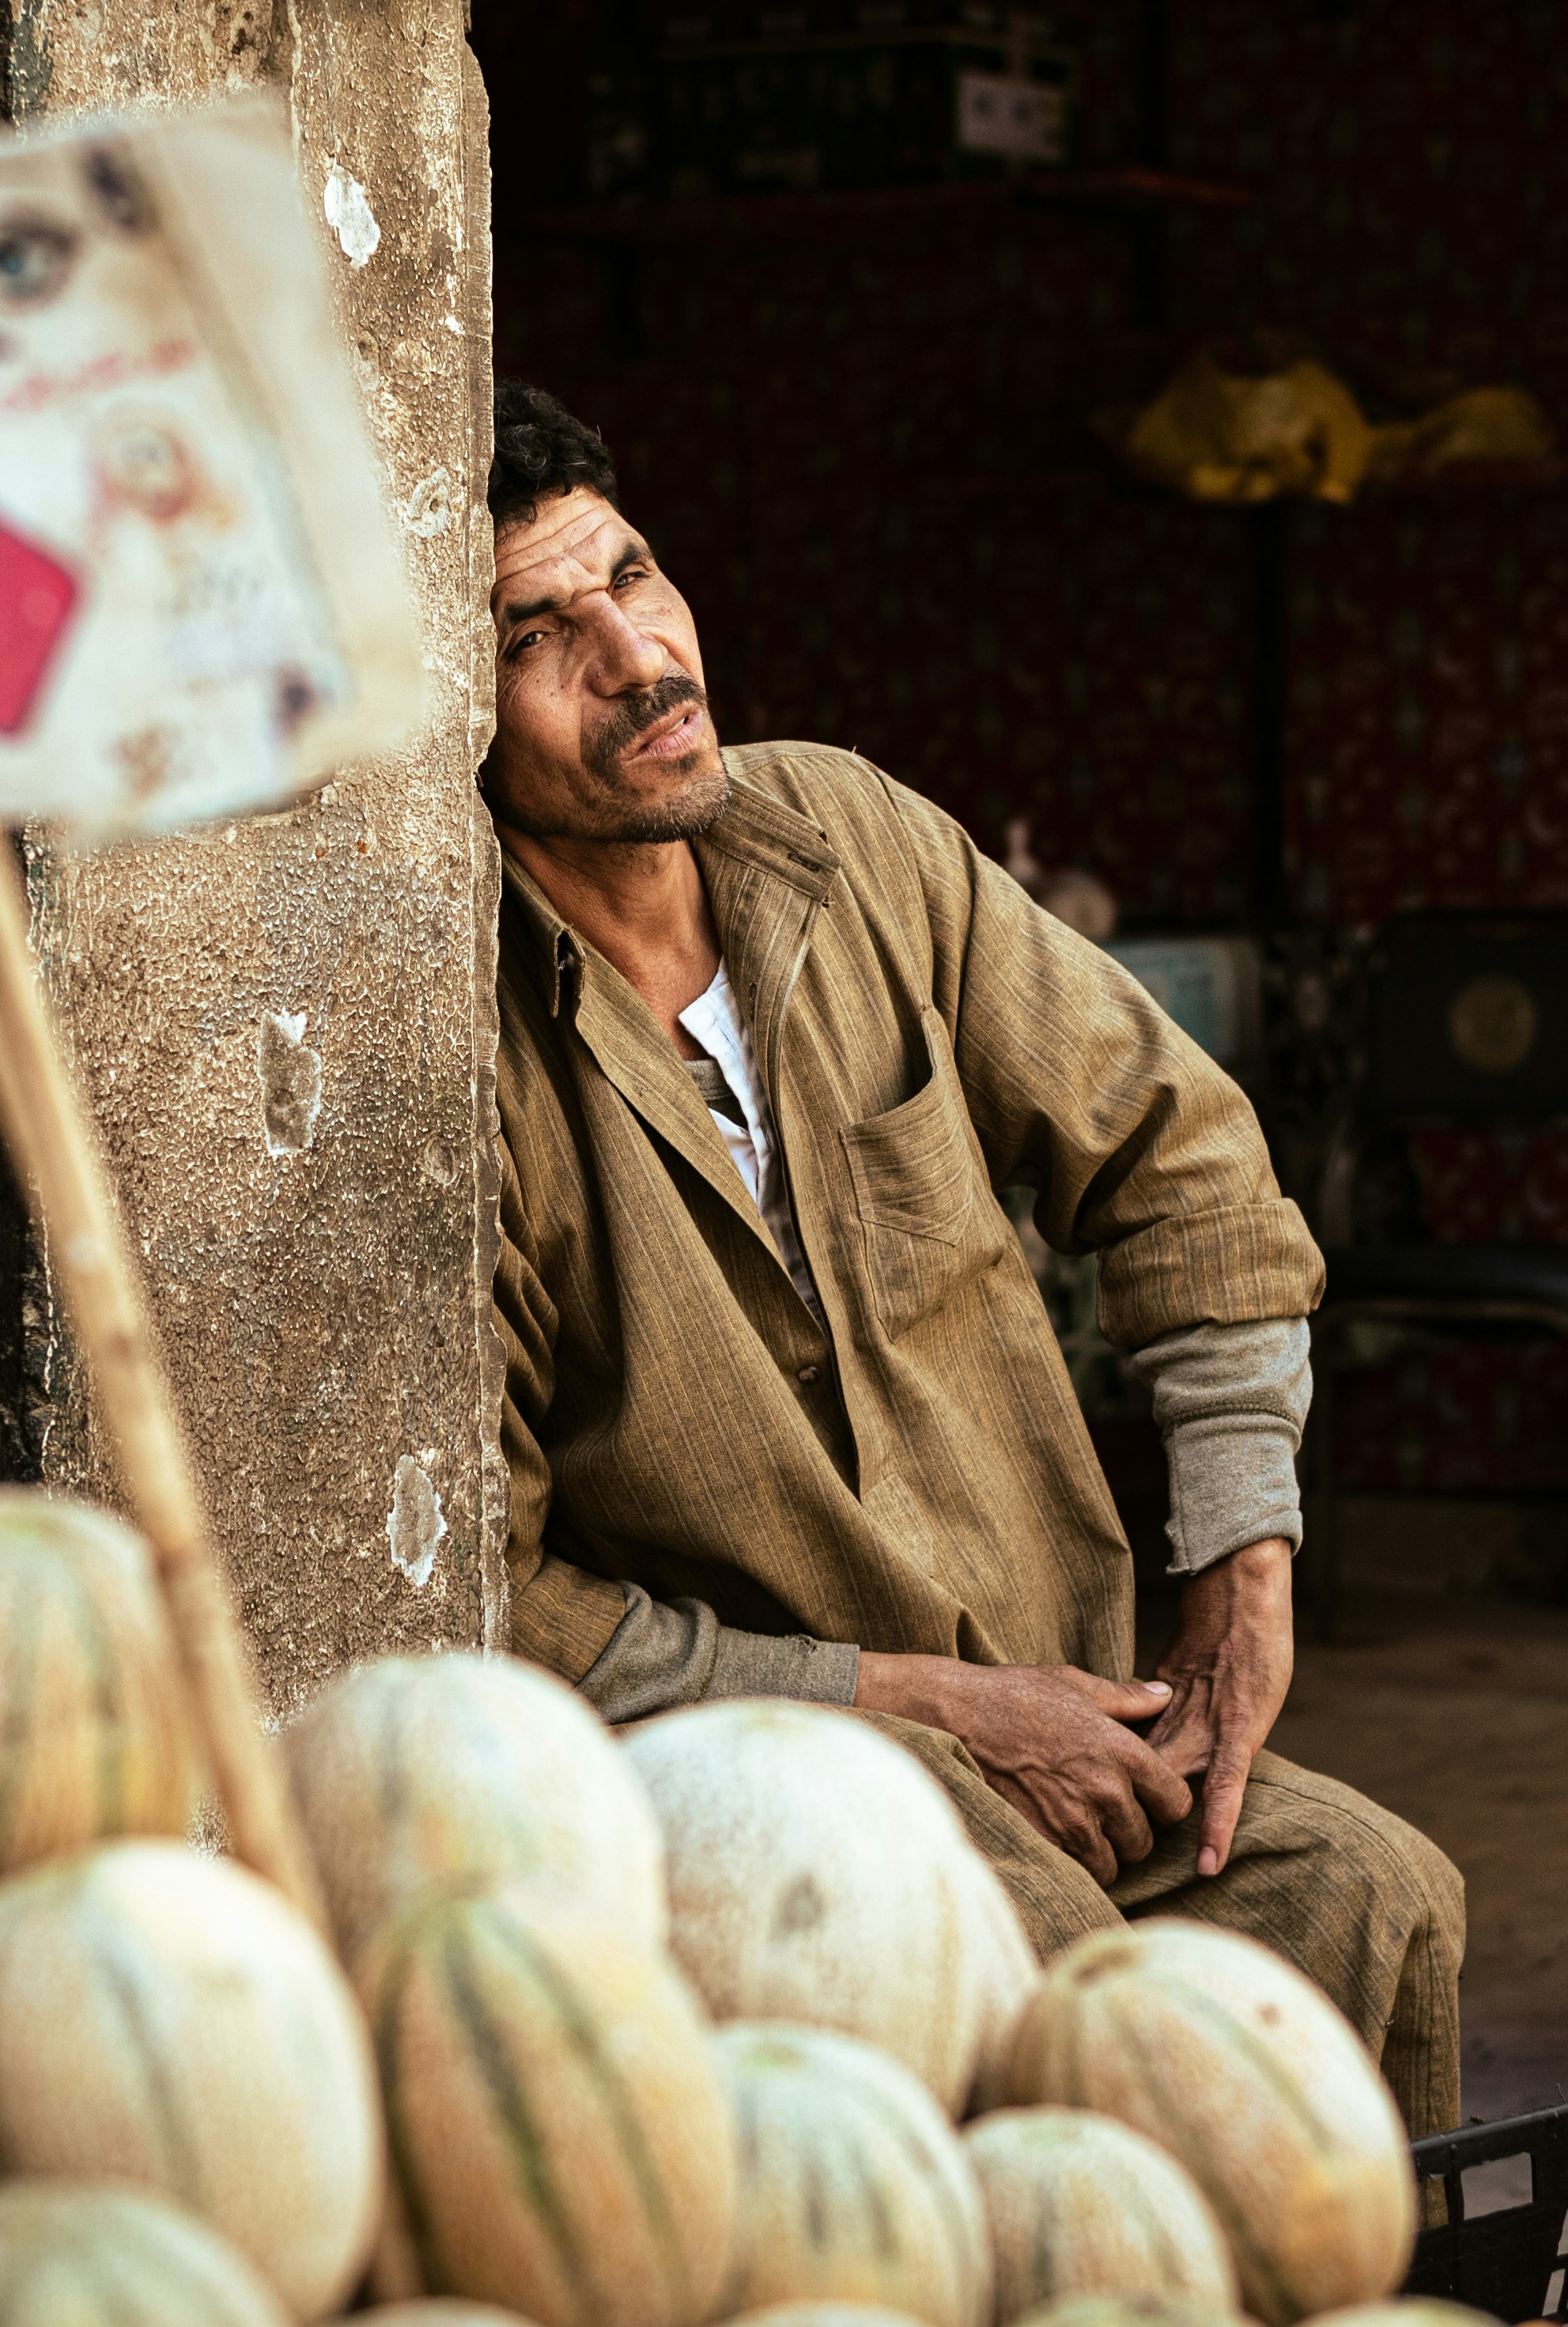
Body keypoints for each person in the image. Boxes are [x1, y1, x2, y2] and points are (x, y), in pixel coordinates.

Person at [483, 378, 1465, 2131]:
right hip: (761, 1776)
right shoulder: (472, 1055)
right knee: (1067, 2018)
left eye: (633, 576)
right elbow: (506, 1602)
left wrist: (1241, 1553)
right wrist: (923, 1705)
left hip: (1080, 1731)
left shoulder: (847, 842)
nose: (634, 656)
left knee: (1369, 1901)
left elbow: (1181, 1156)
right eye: (537, 635)